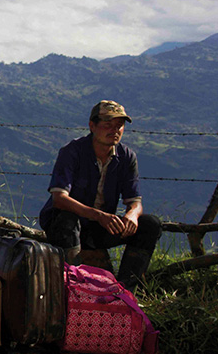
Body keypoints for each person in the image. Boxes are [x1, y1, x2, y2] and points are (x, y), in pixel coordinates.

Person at [38, 100, 161, 289]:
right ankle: (73, 287)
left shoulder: (126, 157)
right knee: (67, 220)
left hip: (100, 227)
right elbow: (59, 199)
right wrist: (98, 215)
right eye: (108, 124)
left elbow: (135, 201)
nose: (115, 130)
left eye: (119, 125)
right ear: (92, 126)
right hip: (65, 227)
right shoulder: (73, 152)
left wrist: (132, 215)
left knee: (150, 225)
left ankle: (125, 290)